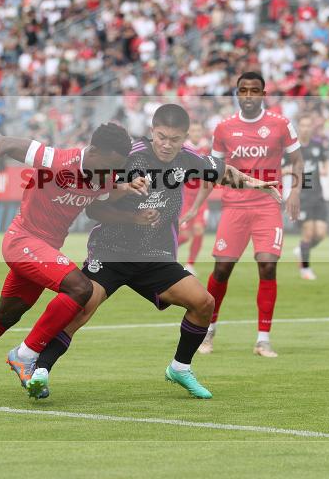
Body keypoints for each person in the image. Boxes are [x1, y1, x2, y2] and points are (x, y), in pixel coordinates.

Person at [28, 104, 281, 400]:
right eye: (161, 137)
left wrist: (256, 184)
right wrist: (130, 212)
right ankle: (40, 369)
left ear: (184, 137)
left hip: (154, 256)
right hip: (111, 251)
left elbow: (222, 172)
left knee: (203, 302)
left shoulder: (188, 159)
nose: (167, 144)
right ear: (152, 132)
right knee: (82, 306)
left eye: (174, 139)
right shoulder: (129, 158)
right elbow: (95, 208)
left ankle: (180, 368)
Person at [0, 123, 148, 393]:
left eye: (117, 168)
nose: (112, 172)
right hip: (22, 240)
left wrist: (128, 191)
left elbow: (101, 200)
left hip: (43, 252)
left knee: (7, 315)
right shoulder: (56, 160)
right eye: (110, 165)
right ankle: (25, 356)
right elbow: (1, 143)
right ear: (93, 151)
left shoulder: (102, 177)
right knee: (81, 287)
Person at [189, 71, 303, 357]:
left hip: (267, 206)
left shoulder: (280, 124)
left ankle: (263, 339)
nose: (249, 95)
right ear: (237, 93)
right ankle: (208, 332)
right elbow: (213, 171)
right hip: (235, 206)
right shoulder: (224, 128)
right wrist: (194, 206)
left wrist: (295, 192)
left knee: (267, 266)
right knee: (222, 270)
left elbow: (297, 159)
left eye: (255, 90)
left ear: (263, 94)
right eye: (244, 90)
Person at [291, 114, 329, 280]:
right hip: (302, 196)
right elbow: (280, 167)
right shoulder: (292, 149)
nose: (305, 128)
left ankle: (301, 250)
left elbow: (325, 161)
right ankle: (305, 270)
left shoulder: (317, 146)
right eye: (303, 125)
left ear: (311, 128)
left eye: (308, 125)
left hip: (318, 195)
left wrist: (325, 169)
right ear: (298, 127)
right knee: (307, 233)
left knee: (320, 234)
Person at [177, 120, 210, 275]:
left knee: (198, 230)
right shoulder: (183, 149)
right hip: (185, 197)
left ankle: (190, 264)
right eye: (194, 130)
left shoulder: (207, 148)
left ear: (202, 132)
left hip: (201, 197)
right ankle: (163, 253)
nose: (196, 133)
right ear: (190, 133)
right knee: (184, 235)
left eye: (199, 130)